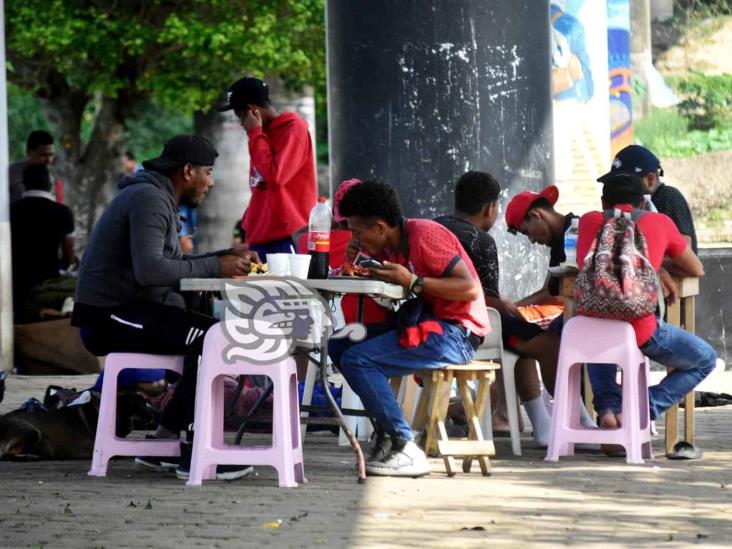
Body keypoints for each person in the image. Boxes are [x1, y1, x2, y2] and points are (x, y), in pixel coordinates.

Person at [71, 135, 259, 480]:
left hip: (132, 310)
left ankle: (167, 442)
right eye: (208, 172)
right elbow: (152, 271)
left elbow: (169, 262)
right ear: (188, 171)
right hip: (109, 315)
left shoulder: (154, 197)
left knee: (210, 335)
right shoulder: (149, 200)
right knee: (211, 339)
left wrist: (223, 258)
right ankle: (193, 451)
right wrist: (216, 268)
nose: (211, 182)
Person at [329, 180, 490, 477]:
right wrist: (352, 262)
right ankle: (388, 432)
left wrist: (413, 282)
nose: (353, 236)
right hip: (426, 324)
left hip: (456, 334)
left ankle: (404, 444)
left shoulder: (424, 234)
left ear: (379, 227)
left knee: (358, 359)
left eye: (356, 230)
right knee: (340, 345)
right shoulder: (390, 245)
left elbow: (469, 288)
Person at [578, 174, 716, 437]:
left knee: (599, 332)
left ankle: (607, 410)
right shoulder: (660, 222)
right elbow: (696, 268)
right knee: (705, 359)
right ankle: (641, 409)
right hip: (641, 328)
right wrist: (658, 264)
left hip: (590, 323)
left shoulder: (589, 221)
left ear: (603, 200)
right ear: (643, 201)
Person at [435, 171, 558, 446]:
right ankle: (554, 420)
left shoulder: (433, 227)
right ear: (490, 208)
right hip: (466, 327)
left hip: (429, 319)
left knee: (518, 335)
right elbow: (486, 300)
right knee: (536, 339)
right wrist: (508, 305)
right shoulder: (481, 240)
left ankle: (527, 420)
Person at [218, 76, 317, 261]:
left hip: (286, 236)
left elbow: (276, 177)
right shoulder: (261, 136)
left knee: (284, 290)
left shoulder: (293, 128)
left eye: (240, 115)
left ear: (251, 110)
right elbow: (260, 187)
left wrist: (255, 134)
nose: (241, 122)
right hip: (259, 236)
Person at [597, 144, 698, 253]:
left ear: (650, 180)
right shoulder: (629, 206)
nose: (620, 187)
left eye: (628, 182)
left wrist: (635, 257)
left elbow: (685, 252)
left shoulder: (668, 197)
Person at [10, 165, 76, 322]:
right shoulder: (63, 212)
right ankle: (66, 308)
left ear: (24, 184)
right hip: (48, 282)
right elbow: (69, 259)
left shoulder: (10, 211)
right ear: (50, 184)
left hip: (17, 285)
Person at [505, 185, 576, 308]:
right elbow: (548, 290)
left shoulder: (575, 233)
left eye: (526, 232)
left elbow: (558, 296)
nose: (531, 240)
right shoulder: (557, 242)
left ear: (535, 216)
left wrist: (511, 308)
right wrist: (513, 307)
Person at [8, 130, 56, 205]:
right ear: (28, 152)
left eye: (51, 155)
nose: (48, 160)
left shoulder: (50, 178)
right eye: (43, 155)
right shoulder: (11, 173)